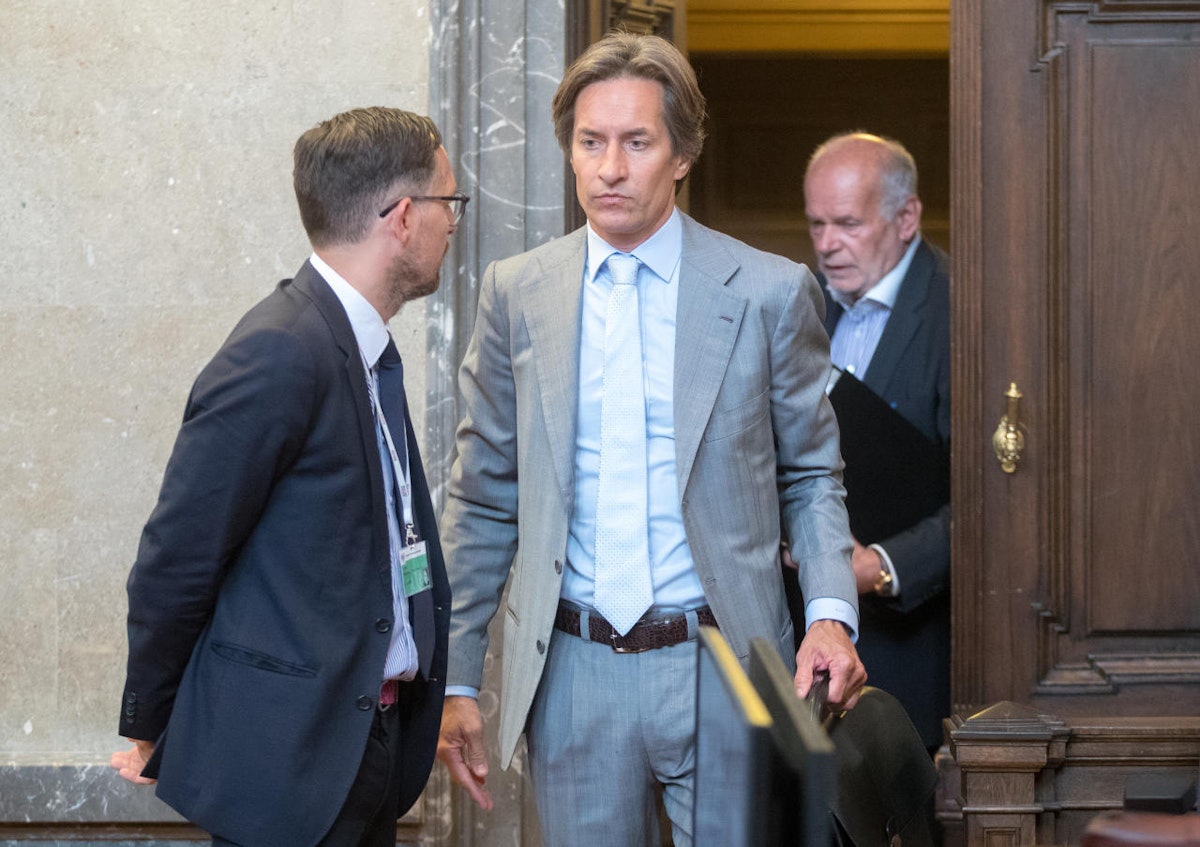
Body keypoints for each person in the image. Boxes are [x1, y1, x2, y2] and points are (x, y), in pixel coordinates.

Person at [436, 33, 867, 846]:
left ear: (682, 155)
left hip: (727, 658)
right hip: (574, 673)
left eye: (637, 142)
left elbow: (812, 475)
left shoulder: (770, 293)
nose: (610, 168)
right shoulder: (517, 295)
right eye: (590, 142)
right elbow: (483, 500)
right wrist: (455, 677)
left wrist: (829, 615)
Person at [110, 107, 461, 847]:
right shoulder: (279, 349)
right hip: (291, 767)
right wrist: (153, 721)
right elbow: (179, 554)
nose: (453, 223)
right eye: (448, 202)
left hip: (363, 744)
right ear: (403, 217)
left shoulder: (363, 348)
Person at [796, 131, 951, 751]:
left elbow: (1002, 498)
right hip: (803, 634)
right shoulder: (799, 302)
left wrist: (883, 567)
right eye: (817, 224)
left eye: (848, 224)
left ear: (906, 218)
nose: (827, 244)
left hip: (914, 643)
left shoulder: (963, 308)